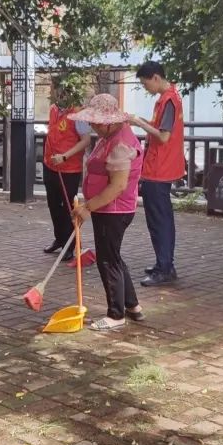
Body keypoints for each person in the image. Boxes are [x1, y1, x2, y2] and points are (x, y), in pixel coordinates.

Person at [69, 93, 144, 331]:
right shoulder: (109, 136)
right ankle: (132, 305)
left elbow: (118, 186)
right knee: (114, 256)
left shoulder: (121, 144)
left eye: (96, 122)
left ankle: (116, 314)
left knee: (107, 259)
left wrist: (88, 207)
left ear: (110, 122)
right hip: (107, 208)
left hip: (114, 210)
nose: (92, 126)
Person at [129, 61, 186, 286]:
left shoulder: (169, 100)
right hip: (159, 167)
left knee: (159, 220)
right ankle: (164, 264)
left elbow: (163, 136)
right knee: (161, 219)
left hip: (160, 169)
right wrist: (140, 121)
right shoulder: (166, 99)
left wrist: (138, 122)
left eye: (145, 84)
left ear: (155, 77)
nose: (146, 88)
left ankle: (164, 267)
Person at [42, 77, 92, 261]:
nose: (51, 92)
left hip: (69, 168)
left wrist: (65, 156)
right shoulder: (54, 109)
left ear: (63, 91)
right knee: (53, 205)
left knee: (68, 208)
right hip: (50, 165)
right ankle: (59, 239)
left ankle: (71, 245)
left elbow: (86, 141)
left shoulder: (77, 113)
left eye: (53, 89)